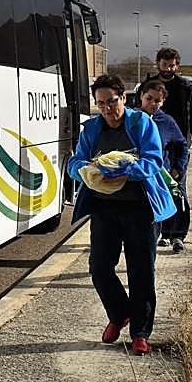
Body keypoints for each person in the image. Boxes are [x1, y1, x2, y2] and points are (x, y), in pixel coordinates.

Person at [68, 73, 177, 356]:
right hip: (105, 208)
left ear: (123, 98)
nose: (107, 109)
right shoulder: (92, 129)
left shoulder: (141, 124)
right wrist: (87, 169)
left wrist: (126, 170)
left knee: (141, 271)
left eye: (112, 102)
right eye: (101, 103)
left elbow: (153, 161)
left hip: (140, 209)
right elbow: (75, 162)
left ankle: (140, 333)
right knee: (100, 268)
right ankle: (119, 314)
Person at [140, 81, 190, 252]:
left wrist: (178, 168)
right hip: (139, 175)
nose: (152, 104)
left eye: (157, 101)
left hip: (161, 174)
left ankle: (175, 235)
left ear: (163, 102)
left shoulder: (166, 121)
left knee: (174, 200)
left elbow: (182, 145)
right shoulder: (132, 118)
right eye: (149, 99)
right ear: (141, 96)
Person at [139, 47, 192, 161]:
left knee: (178, 176)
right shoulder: (147, 86)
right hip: (151, 143)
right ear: (158, 64)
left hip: (179, 143)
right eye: (164, 64)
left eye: (171, 65)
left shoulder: (186, 87)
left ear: (177, 66)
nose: (168, 69)